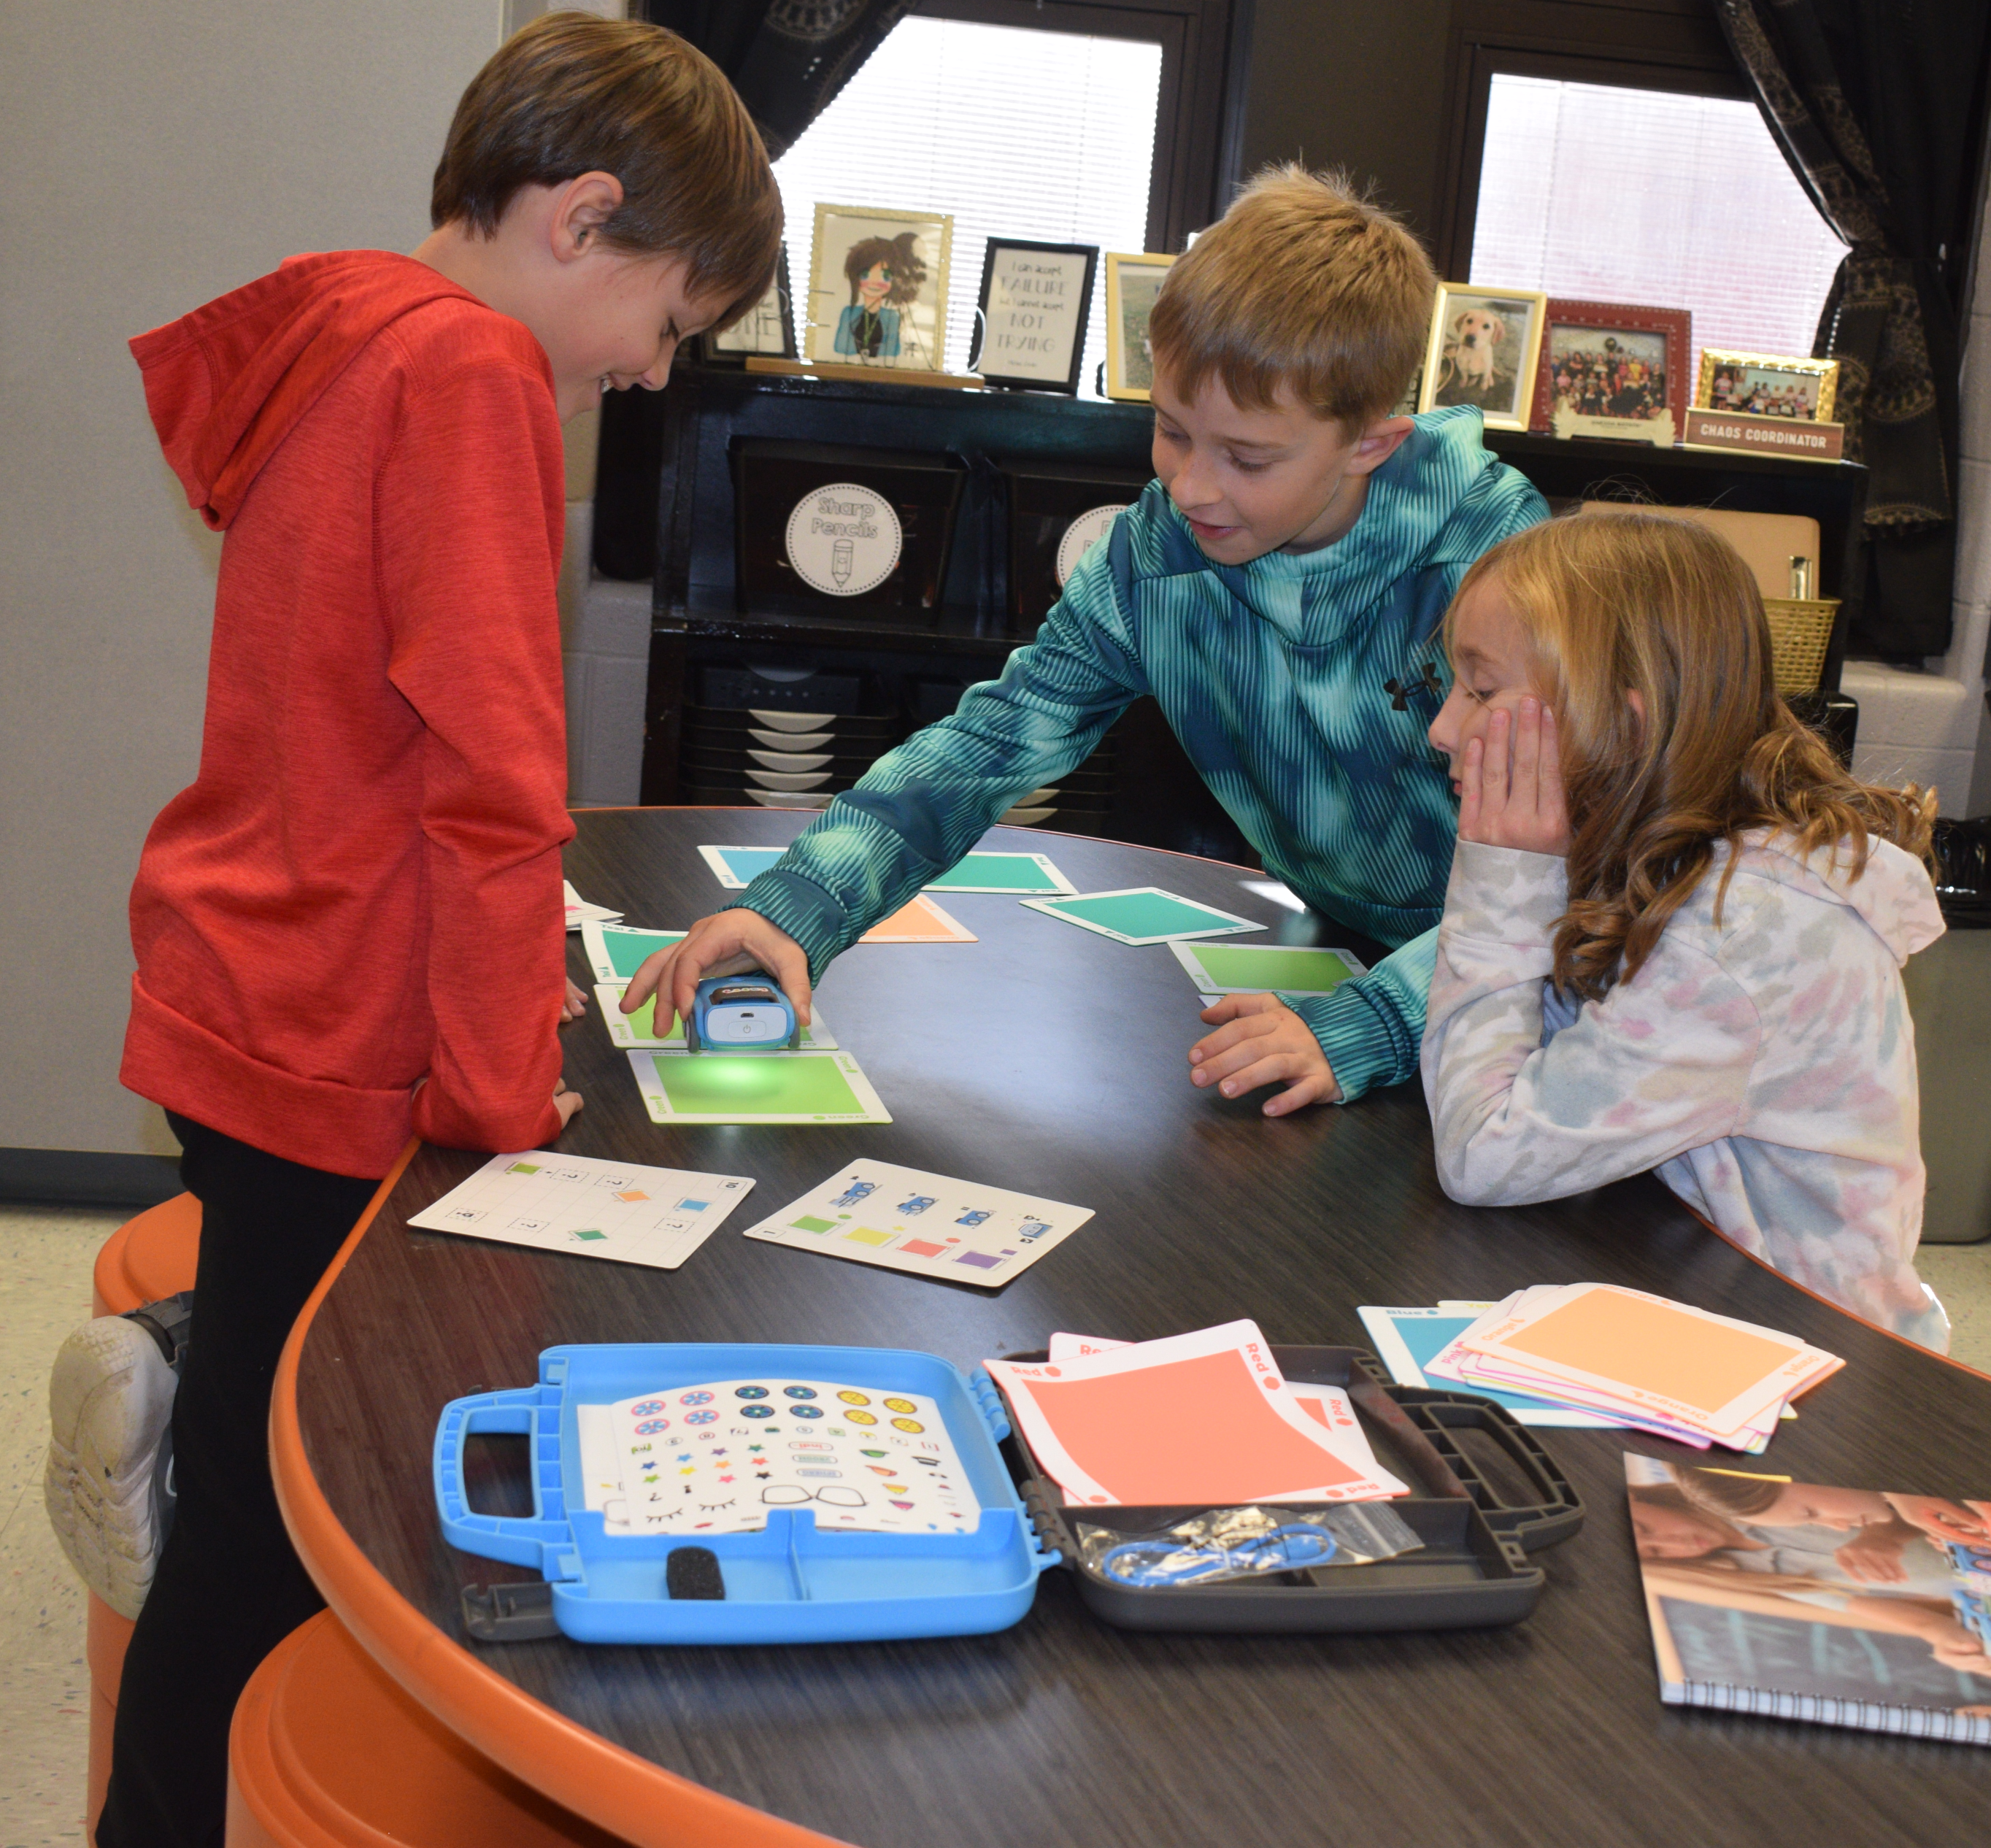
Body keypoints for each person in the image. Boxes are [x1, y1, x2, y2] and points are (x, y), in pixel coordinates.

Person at [71, 17, 781, 1845]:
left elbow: (379, 734)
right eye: (672, 321)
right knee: (298, 1517)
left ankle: (193, 1352)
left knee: (263, 1415)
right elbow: (488, 771)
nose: (648, 371)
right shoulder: (470, 377)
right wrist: (498, 1097)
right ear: (586, 215)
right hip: (344, 1036)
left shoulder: (345, 327)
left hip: (246, 980)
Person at [627, 165, 1547, 1115]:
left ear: (1372, 445)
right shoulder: (1154, 557)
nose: (1190, 486)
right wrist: (797, 904)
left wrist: (1375, 1026)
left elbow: (1576, 866)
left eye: (1247, 458)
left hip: (1509, 990)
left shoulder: (1499, 566)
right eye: (1171, 430)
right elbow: (988, 744)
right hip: (1342, 959)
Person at [1420, 512, 1949, 1348]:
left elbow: (1485, 1153)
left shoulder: (1737, 936)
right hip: (1693, 1296)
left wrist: (1499, 882)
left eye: (1481, 691)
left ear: (1624, 726)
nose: (1442, 729)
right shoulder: (1658, 850)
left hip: (1811, 1374)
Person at [833, 231, 926, 361]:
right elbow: (840, 347)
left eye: (885, 276)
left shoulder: (892, 317)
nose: (875, 282)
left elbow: (892, 351)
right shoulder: (848, 314)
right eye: (866, 275)